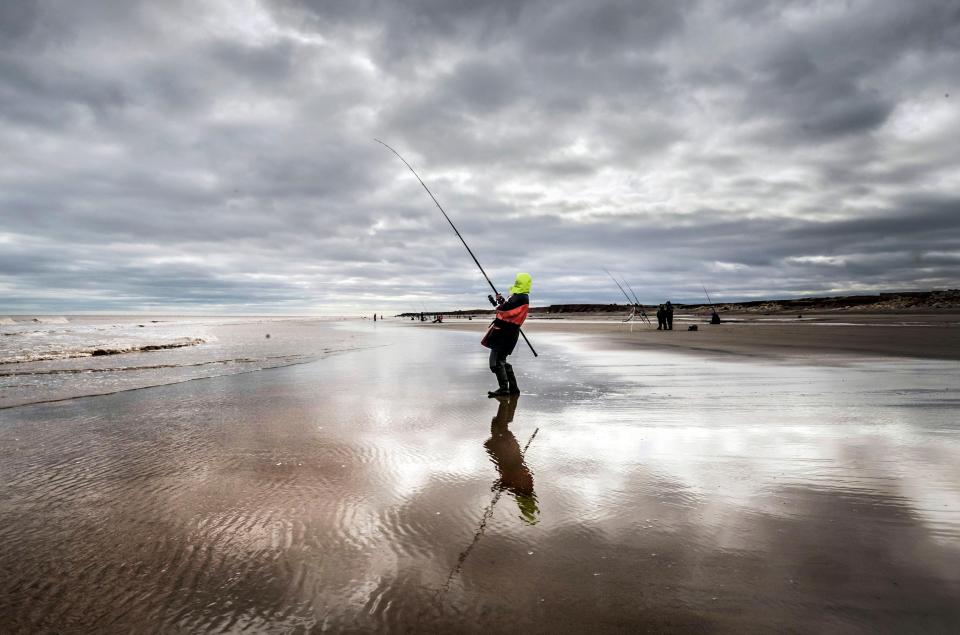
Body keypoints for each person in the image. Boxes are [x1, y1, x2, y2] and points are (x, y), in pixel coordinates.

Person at [481, 272, 531, 397]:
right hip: (508, 333)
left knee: (496, 362)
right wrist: (502, 300)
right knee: (501, 361)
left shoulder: (520, 297)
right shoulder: (520, 297)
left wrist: (500, 303)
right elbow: (508, 308)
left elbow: (503, 310)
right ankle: (513, 388)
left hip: (505, 333)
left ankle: (504, 389)